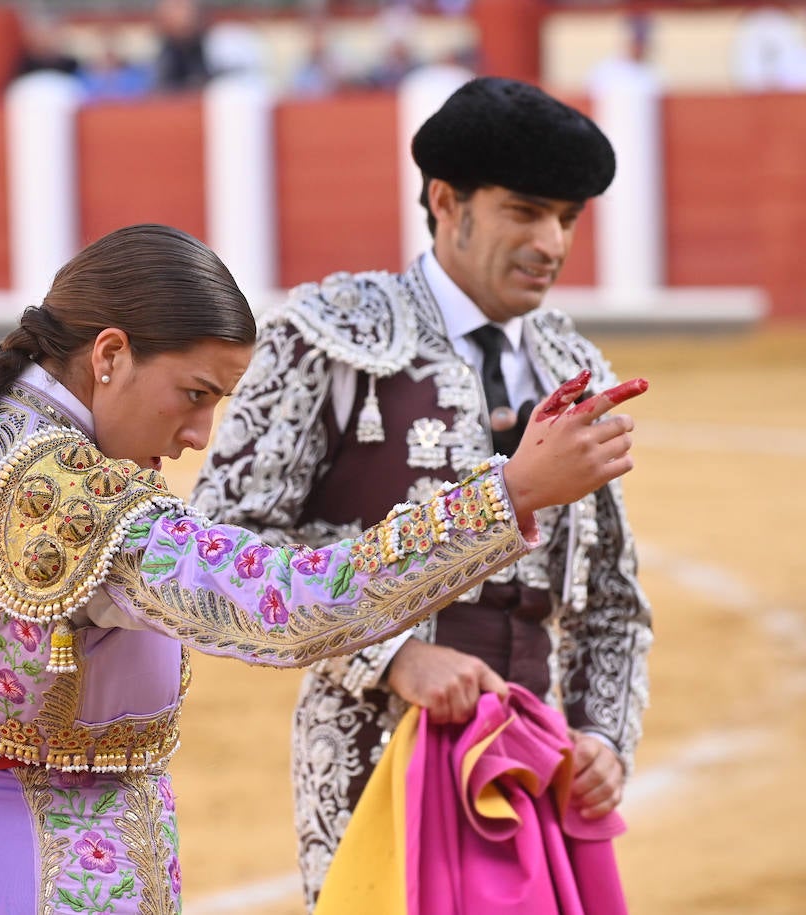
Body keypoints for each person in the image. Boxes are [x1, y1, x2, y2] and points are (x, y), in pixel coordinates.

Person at [0, 223, 645, 914]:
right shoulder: (96, 516)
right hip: (74, 881)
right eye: (194, 393)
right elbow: (295, 605)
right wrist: (504, 495)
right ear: (111, 354)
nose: (200, 434)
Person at [191, 77, 654, 910]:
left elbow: (612, 601)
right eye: (526, 210)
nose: (551, 242)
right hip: (378, 756)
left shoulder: (575, 370)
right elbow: (223, 552)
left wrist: (601, 738)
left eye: (568, 219)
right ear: (447, 201)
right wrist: (391, 655)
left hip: (534, 769)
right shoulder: (328, 338)